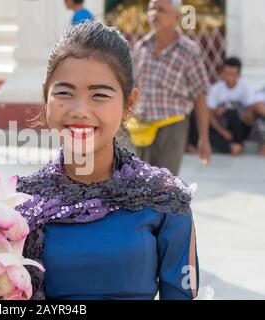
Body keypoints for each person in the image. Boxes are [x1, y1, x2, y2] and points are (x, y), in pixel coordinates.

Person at [17, 21, 198, 300]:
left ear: (129, 103)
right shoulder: (19, 204)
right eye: (64, 93)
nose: (80, 110)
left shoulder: (166, 199)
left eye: (99, 95)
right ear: (45, 96)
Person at [130, 0, 211, 175]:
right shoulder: (141, 47)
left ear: (176, 17)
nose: (154, 14)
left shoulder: (188, 50)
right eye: (152, 9)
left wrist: (204, 138)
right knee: (137, 185)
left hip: (172, 128)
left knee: (165, 186)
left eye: (161, 10)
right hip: (141, 129)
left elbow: (200, 95)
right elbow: (132, 89)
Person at [188, 57, 265, 155]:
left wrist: (237, 112)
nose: (229, 78)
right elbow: (209, 116)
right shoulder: (216, 89)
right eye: (227, 74)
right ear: (222, 73)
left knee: (234, 112)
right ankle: (231, 147)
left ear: (238, 75)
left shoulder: (245, 88)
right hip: (221, 127)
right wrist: (222, 131)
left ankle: (238, 143)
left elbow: (250, 117)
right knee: (196, 115)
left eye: (232, 75)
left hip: (240, 127)